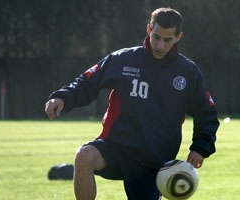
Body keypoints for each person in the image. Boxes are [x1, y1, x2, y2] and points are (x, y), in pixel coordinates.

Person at [44, 7, 219, 200]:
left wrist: (200, 147)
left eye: (167, 40)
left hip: (154, 159)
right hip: (118, 148)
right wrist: (62, 97)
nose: (160, 45)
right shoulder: (123, 59)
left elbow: (207, 112)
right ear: (148, 30)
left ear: (178, 37)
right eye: (156, 37)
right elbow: (87, 82)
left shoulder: (188, 72)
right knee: (84, 156)